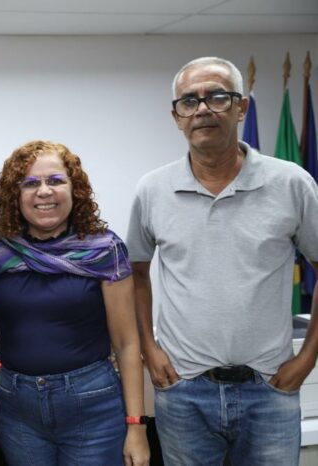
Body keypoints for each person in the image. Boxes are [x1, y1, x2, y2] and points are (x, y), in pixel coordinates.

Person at [126, 56, 318, 466]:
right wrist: (149, 348)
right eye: (189, 101)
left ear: (241, 107)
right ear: (176, 116)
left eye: (217, 97)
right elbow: (137, 274)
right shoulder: (153, 190)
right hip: (184, 390)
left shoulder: (292, 184)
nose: (202, 109)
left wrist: (309, 358)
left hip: (270, 388)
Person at [0, 140, 150, 466]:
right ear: (15, 195)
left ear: (75, 190)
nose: (44, 191)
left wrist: (136, 426)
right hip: (18, 410)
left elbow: (128, 344)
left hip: (93, 406)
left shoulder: (104, 250)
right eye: (30, 183)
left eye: (56, 180)